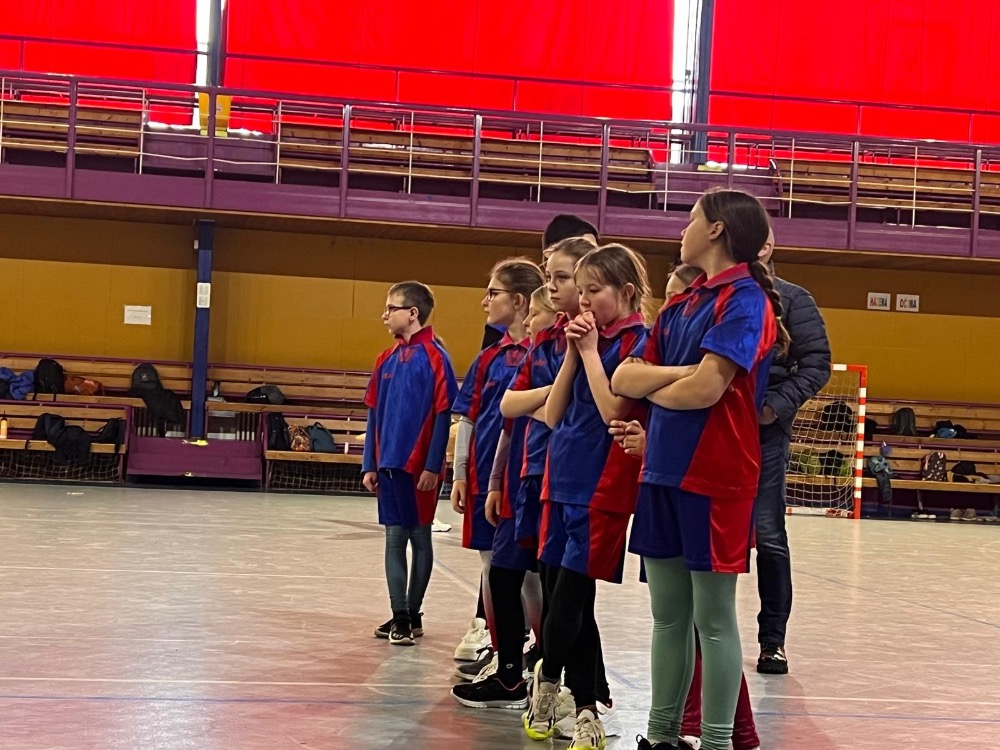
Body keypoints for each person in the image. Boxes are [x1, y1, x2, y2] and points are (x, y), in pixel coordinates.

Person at [613, 189, 789, 750]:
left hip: (716, 476)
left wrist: (662, 381)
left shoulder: (745, 301)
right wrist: (681, 375)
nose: (682, 229)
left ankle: (715, 742)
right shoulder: (679, 306)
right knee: (667, 618)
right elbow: (623, 380)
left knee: (713, 621)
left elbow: (707, 391)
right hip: (660, 472)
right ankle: (661, 735)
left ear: (715, 230)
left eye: (690, 219)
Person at [524, 243, 651, 750]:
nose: (583, 300)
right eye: (581, 290)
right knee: (561, 596)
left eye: (592, 291)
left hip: (603, 485)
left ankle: (548, 678)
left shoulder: (639, 341)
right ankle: (582, 708)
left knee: (573, 597)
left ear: (625, 292)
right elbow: (553, 414)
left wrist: (592, 352)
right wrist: (575, 355)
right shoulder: (578, 338)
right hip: (561, 474)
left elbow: (613, 411)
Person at [451, 285, 557, 709]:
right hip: (501, 481)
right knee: (498, 571)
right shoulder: (491, 357)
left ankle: (554, 669)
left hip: (543, 481)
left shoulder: (557, 354)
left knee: (546, 582)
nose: (484, 301)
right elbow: (491, 418)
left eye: (493, 292)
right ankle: (507, 661)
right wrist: (470, 475)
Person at [363, 281, 458, 646]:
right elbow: (373, 413)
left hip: (419, 469)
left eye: (392, 308)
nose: (384, 315)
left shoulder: (436, 357)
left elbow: (443, 414)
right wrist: (369, 463)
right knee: (393, 539)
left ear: (413, 313)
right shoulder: (384, 359)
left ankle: (413, 613)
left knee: (419, 537)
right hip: (387, 465)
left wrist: (433, 466)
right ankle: (399, 613)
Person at [754, 228, 831, 675]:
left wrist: (773, 409)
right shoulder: (707, 294)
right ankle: (701, 635)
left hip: (765, 435)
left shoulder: (794, 299)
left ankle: (773, 640)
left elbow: (817, 364)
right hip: (712, 431)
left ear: (765, 246)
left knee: (768, 536)